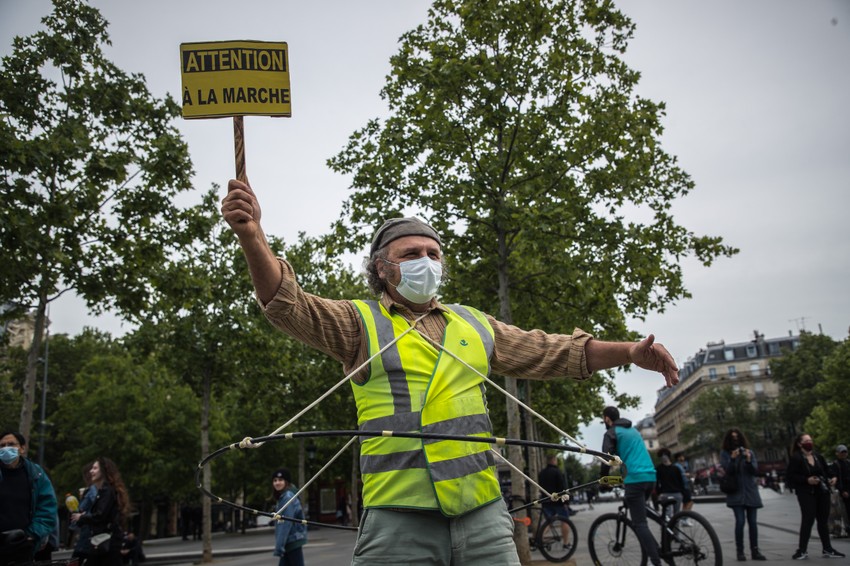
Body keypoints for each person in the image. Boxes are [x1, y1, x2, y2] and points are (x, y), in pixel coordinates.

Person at [221, 179, 680, 565]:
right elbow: (288, 306)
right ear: (382, 269)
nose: (426, 260)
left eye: (433, 253)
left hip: (482, 514)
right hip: (398, 518)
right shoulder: (358, 322)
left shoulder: (473, 322)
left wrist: (629, 352)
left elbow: (553, 351)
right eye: (411, 253)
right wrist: (253, 237)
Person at [601, 406, 662, 566]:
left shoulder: (611, 433)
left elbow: (606, 458)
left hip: (634, 479)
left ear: (607, 419)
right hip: (650, 476)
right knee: (641, 509)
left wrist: (604, 481)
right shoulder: (633, 430)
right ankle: (664, 523)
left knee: (639, 523)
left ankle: (656, 561)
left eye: (604, 420)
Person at [0, 431, 58, 566]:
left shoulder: (35, 474)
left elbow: (48, 507)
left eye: (11, 444)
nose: (6, 448)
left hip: (22, 545)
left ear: (22, 448)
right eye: (2, 445)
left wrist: (32, 535)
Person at [786, 433, 845, 559]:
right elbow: (790, 478)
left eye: (810, 440)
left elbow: (827, 471)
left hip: (822, 492)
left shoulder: (818, 456)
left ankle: (827, 549)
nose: (810, 443)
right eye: (806, 441)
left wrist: (833, 478)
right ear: (799, 444)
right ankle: (802, 550)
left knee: (823, 521)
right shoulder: (796, 458)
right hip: (806, 493)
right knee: (808, 520)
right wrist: (807, 480)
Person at [71, 458, 131, 566]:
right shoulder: (104, 491)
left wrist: (82, 517)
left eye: (95, 468)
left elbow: (100, 515)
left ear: (103, 471)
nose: (91, 471)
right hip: (103, 541)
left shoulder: (107, 491)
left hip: (106, 541)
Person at [720, 429, 766, 561]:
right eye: (733, 438)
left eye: (737, 438)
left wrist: (748, 459)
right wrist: (733, 459)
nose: (736, 441)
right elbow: (728, 471)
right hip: (736, 492)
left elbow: (754, 471)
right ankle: (740, 551)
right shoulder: (725, 454)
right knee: (740, 522)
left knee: (753, 523)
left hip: (750, 491)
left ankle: (755, 551)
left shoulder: (749, 452)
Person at [271, 468, 307, 566]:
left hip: (291, 541)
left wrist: (279, 547)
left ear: (286, 482)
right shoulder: (285, 496)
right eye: (275, 480)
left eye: (280, 480)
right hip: (291, 541)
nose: (277, 483)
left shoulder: (287, 497)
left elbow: (285, 523)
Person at [537, 454, 573, 549]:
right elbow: (562, 488)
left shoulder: (541, 473)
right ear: (553, 460)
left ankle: (540, 539)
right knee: (565, 521)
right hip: (558, 503)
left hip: (546, 502)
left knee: (548, 522)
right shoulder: (557, 472)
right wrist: (565, 502)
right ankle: (566, 543)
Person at [72, 462, 99, 562]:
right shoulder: (92, 489)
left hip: (87, 534)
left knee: (75, 560)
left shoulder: (92, 489)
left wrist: (83, 515)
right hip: (87, 533)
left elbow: (96, 504)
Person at [655, 447, 686, 520]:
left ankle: (675, 531)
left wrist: (682, 492)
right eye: (661, 456)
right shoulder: (658, 469)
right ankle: (666, 529)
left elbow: (681, 481)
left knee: (677, 515)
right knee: (667, 515)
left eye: (665, 455)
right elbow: (657, 482)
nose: (663, 457)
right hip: (665, 494)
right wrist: (659, 493)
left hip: (676, 493)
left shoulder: (676, 468)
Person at [833, 444, 850, 537]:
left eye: (845, 452)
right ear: (837, 453)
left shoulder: (848, 463)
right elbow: (836, 478)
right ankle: (847, 528)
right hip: (843, 491)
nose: (844, 454)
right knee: (845, 511)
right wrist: (842, 490)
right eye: (842, 452)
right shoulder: (836, 464)